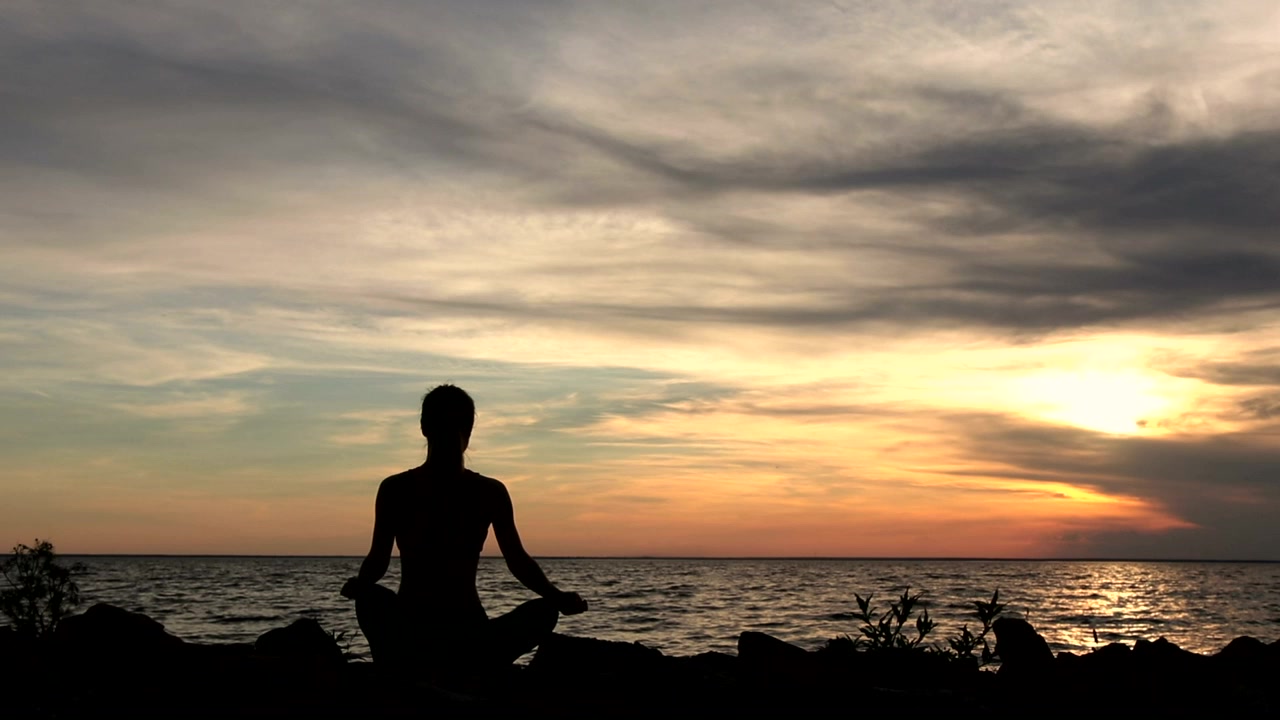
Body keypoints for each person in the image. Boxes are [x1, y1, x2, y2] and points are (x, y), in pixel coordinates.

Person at [341, 384, 587, 676]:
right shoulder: (399, 489)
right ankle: (440, 666)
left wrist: (556, 598)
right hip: (424, 628)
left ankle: (415, 666)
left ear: (423, 427)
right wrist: (361, 584)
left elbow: (517, 560)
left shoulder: (485, 491)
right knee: (370, 597)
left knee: (544, 611)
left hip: (463, 631)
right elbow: (378, 559)